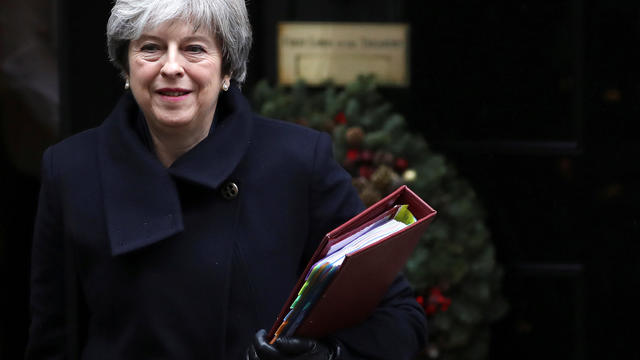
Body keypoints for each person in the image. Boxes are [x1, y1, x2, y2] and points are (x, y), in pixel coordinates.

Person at [26, 0, 427, 359]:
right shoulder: (70, 169)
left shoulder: (298, 162)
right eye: (150, 48)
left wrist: (325, 356)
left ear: (228, 69)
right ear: (126, 67)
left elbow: (399, 318)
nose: (170, 67)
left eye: (194, 48)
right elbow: (53, 339)